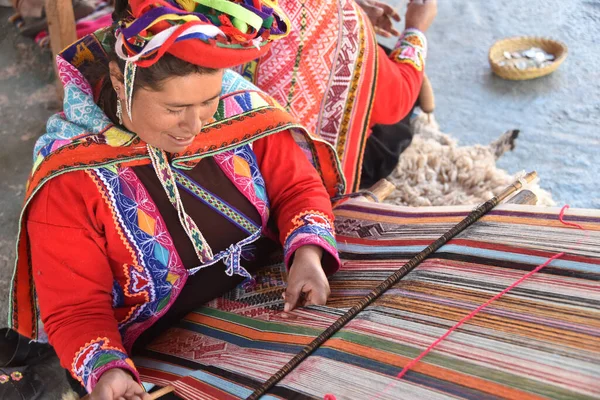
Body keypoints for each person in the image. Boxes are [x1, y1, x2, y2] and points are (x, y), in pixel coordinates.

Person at [7, 0, 347, 398]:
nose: (196, 124)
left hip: (270, 309)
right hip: (154, 360)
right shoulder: (70, 178)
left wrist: (306, 252)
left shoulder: (241, 109)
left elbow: (297, 187)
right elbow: (76, 309)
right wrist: (107, 373)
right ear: (120, 81)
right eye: (175, 108)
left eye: (208, 100)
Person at [237, 0, 437, 190]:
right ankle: (411, 73)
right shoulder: (342, 17)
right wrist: (415, 29)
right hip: (304, 184)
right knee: (396, 122)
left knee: (368, 59)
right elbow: (396, 103)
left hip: (231, 161)